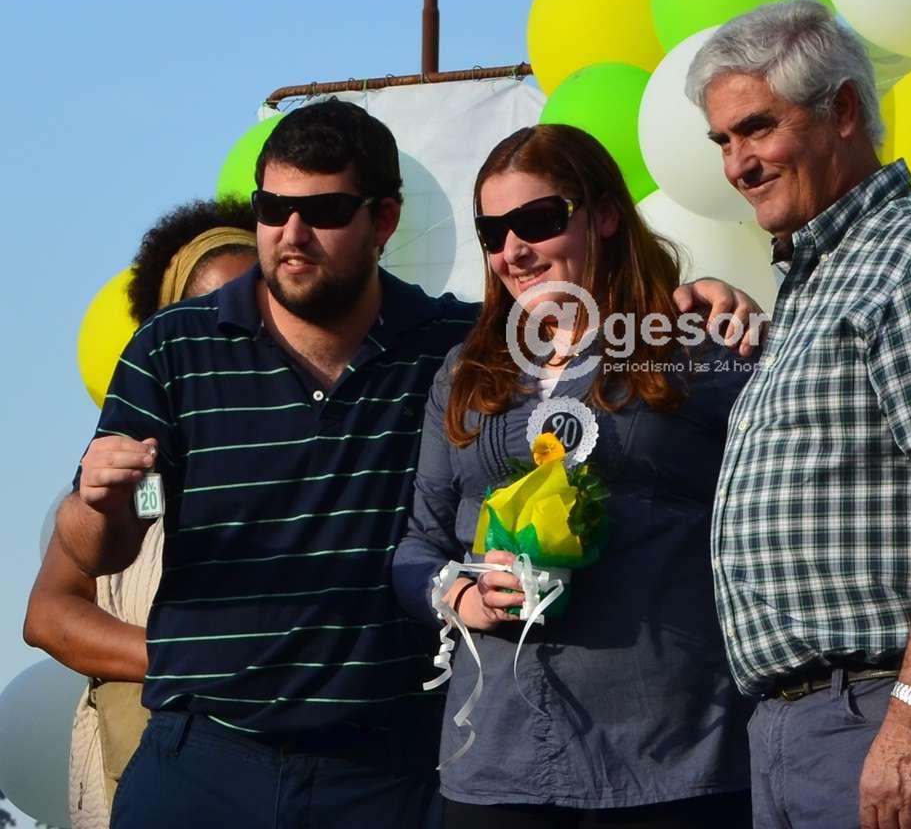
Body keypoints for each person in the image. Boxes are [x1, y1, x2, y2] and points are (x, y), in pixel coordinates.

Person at [52, 99, 759, 829]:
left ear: (384, 220)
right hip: (206, 759)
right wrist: (100, 505)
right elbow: (97, 552)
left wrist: (695, 302)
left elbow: (588, 336)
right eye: (271, 208)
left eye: (324, 210)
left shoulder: (455, 348)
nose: (291, 233)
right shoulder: (173, 347)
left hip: (388, 772)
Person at [686, 0, 911, 829]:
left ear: (842, 110)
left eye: (756, 128)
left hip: (887, 713)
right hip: (806, 725)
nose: (737, 163)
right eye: (722, 140)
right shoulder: (820, 277)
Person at [392, 123, 755, 829]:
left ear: (606, 215)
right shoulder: (464, 374)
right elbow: (418, 546)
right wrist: (461, 596)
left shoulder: (694, 345)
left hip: (671, 751)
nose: (512, 250)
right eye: (492, 232)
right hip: (499, 758)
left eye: (537, 221)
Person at [24, 198, 257, 829]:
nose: (241, 332)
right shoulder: (135, 470)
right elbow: (47, 614)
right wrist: (191, 656)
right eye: (213, 314)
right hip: (155, 769)